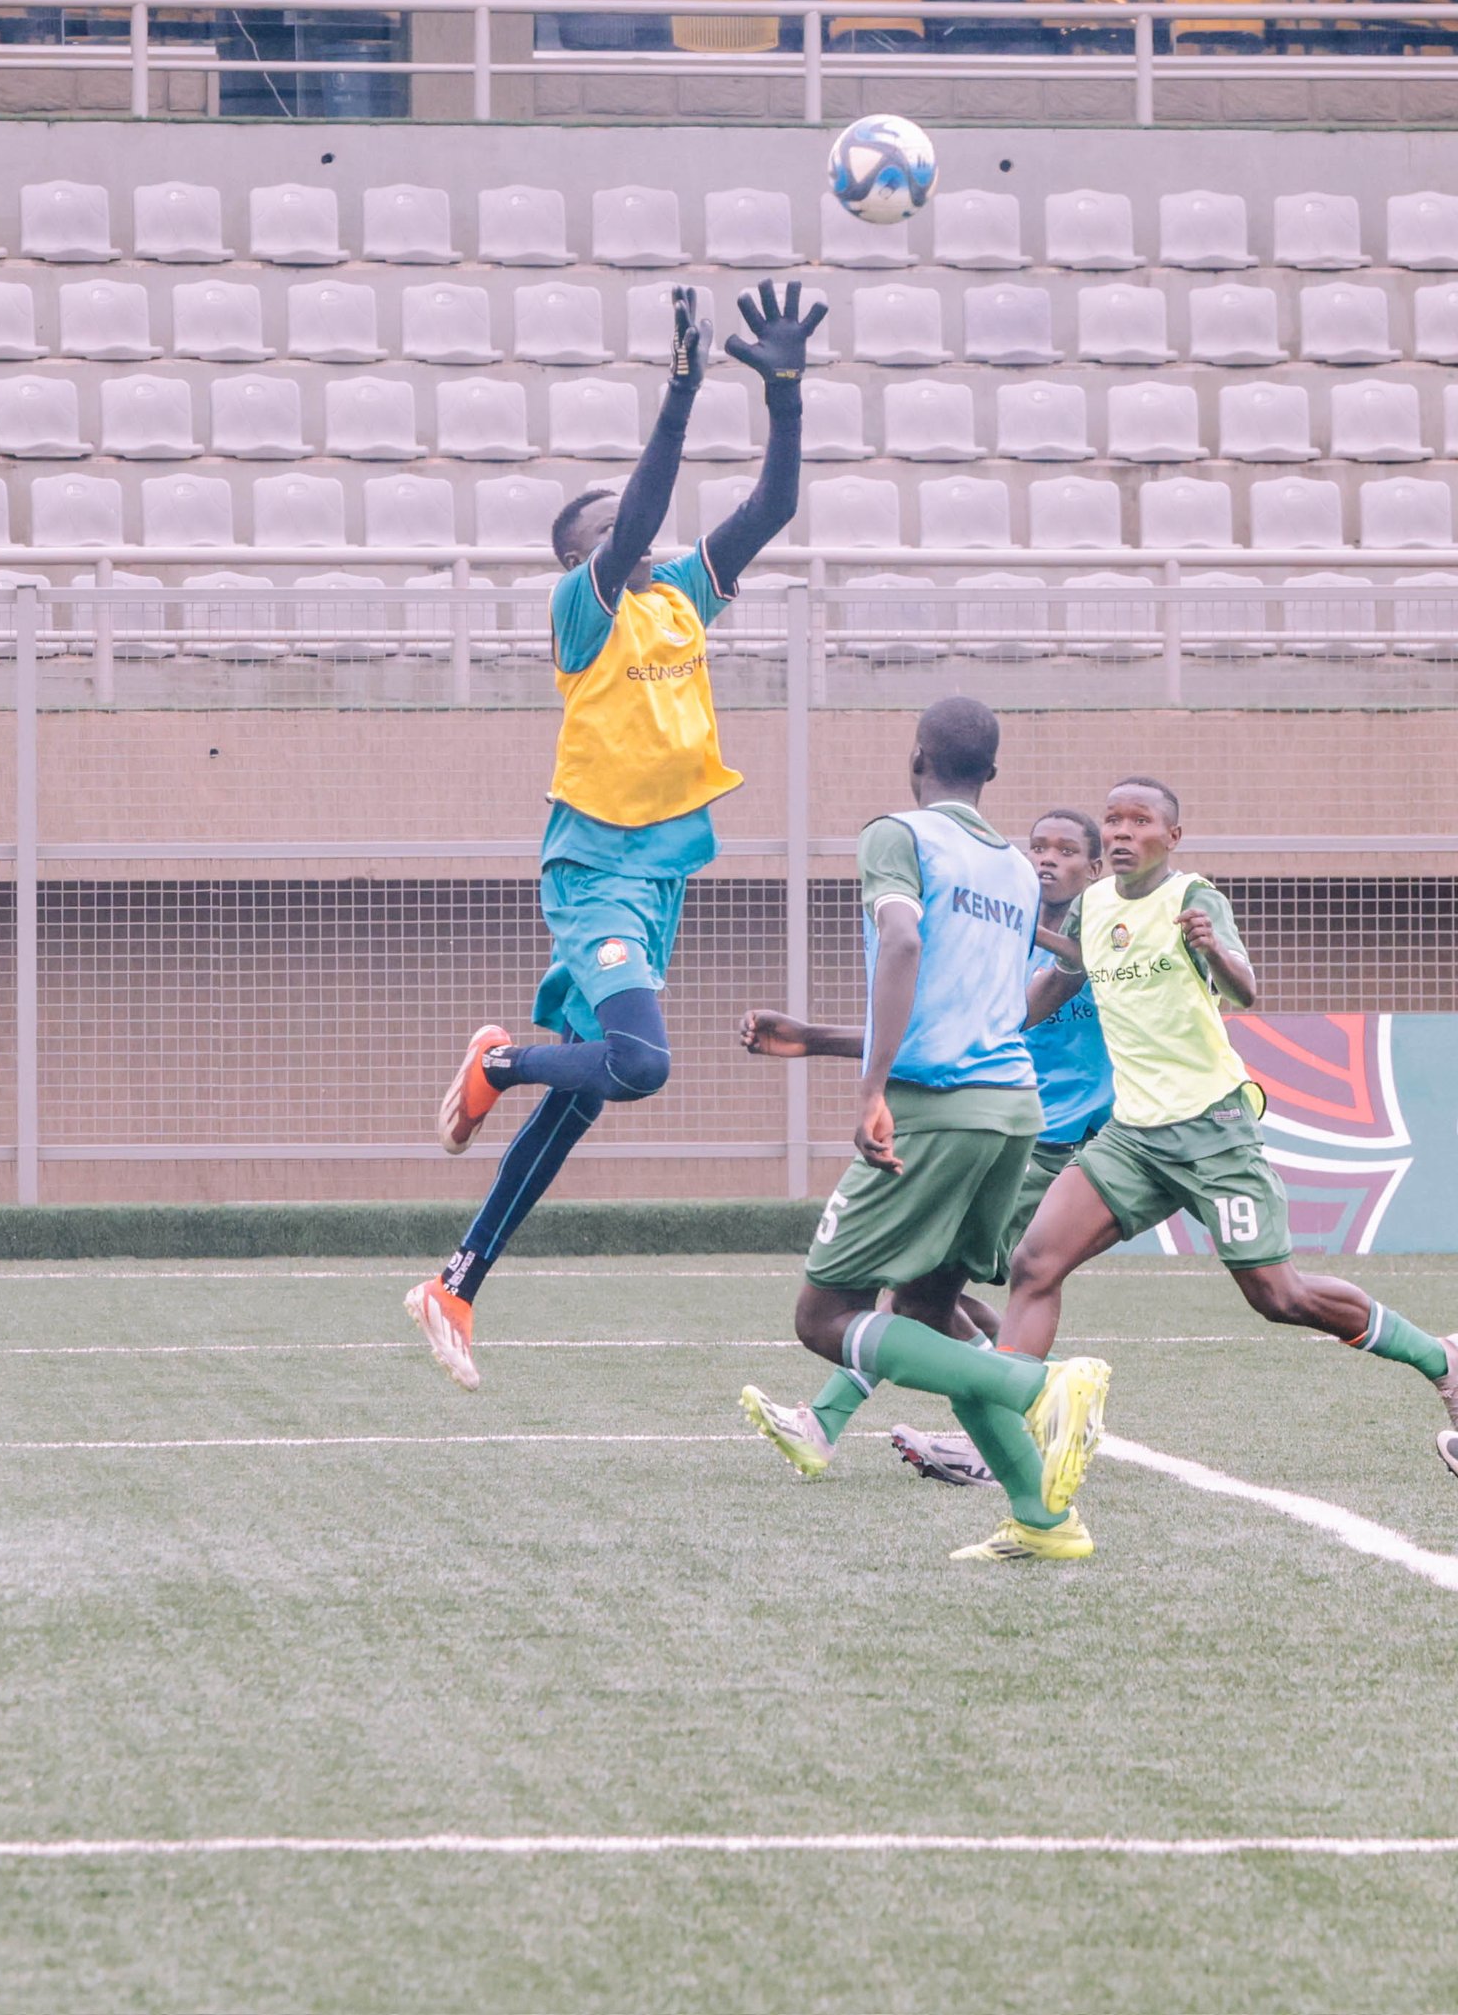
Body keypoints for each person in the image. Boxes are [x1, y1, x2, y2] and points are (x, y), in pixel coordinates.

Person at [402, 280, 826, 1390]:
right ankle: (498, 1059)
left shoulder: (680, 596)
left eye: (623, 521)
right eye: (604, 524)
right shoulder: (578, 612)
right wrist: (679, 397)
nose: (628, 529)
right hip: (595, 869)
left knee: (585, 1094)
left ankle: (454, 1281)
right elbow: (639, 509)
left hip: (659, 877)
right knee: (638, 1063)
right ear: (582, 552)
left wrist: (781, 395)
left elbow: (771, 509)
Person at [738, 698, 1113, 1563]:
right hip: (1012, 1111)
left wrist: (871, 1088)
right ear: (991, 774)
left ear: (916, 759)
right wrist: (834, 1044)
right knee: (928, 1306)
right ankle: (1044, 1519)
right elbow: (987, 1007)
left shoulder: (896, 835)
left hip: (937, 1106)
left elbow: (901, 944)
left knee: (823, 1313)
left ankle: (1038, 1384)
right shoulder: (1017, 872)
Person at [997, 776, 1458, 1469]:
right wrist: (982, 1027)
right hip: (1133, 1137)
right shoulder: (1090, 907)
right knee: (1034, 1263)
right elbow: (1060, 982)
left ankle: (1442, 1358)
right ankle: (1002, 1438)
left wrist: (1210, 948)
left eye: (1138, 821)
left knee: (1279, 1295)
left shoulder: (1193, 898)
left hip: (1212, 1130)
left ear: (1171, 838)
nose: (1121, 832)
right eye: (1113, 820)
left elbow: (1246, 988)